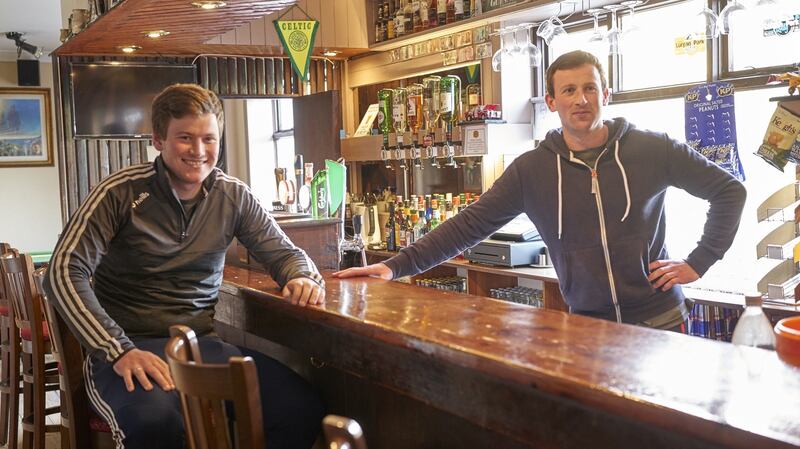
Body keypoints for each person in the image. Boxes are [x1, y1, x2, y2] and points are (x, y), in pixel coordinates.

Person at [335, 51, 747, 331]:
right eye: (568, 90)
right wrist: (395, 266)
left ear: (605, 95)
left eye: (589, 89)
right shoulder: (531, 170)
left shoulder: (651, 148)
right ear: (551, 101)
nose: (580, 99)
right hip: (588, 326)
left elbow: (729, 191)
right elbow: (469, 225)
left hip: (662, 320)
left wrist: (699, 261)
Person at [43, 83, 325, 449]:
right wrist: (118, 350)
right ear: (158, 140)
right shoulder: (119, 192)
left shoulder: (233, 195)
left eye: (209, 139)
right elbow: (63, 272)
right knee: (154, 424)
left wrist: (300, 275)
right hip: (130, 348)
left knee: (299, 409)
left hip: (201, 346)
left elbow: (285, 253)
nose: (199, 151)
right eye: (185, 138)